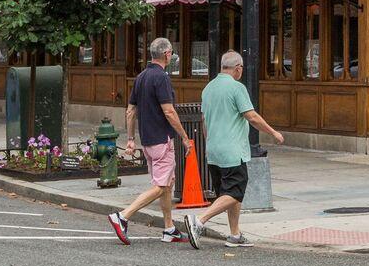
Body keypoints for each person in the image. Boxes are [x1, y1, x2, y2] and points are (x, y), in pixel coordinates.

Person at [181, 50, 283, 249]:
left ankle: (235, 235)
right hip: (232, 150)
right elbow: (251, 116)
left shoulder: (209, 88)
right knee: (235, 192)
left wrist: (209, 142)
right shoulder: (237, 88)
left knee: (228, 194)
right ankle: (199, 221)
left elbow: (204, 121)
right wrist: (273, 132)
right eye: (241, 69)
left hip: (213, 150)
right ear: (238, 68)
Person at [107, 37, 194, 245]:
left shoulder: (141, 77)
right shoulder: (162, 78)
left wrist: (130, 138)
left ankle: (169, 228)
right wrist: (184, 137)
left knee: (167, 184)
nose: (171, 56)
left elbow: (130, 111)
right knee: (160, 186)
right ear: (166, 54)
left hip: (146, 140)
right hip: (162, 140)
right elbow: (169, 111)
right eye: (171, 53)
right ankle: (123, 216)